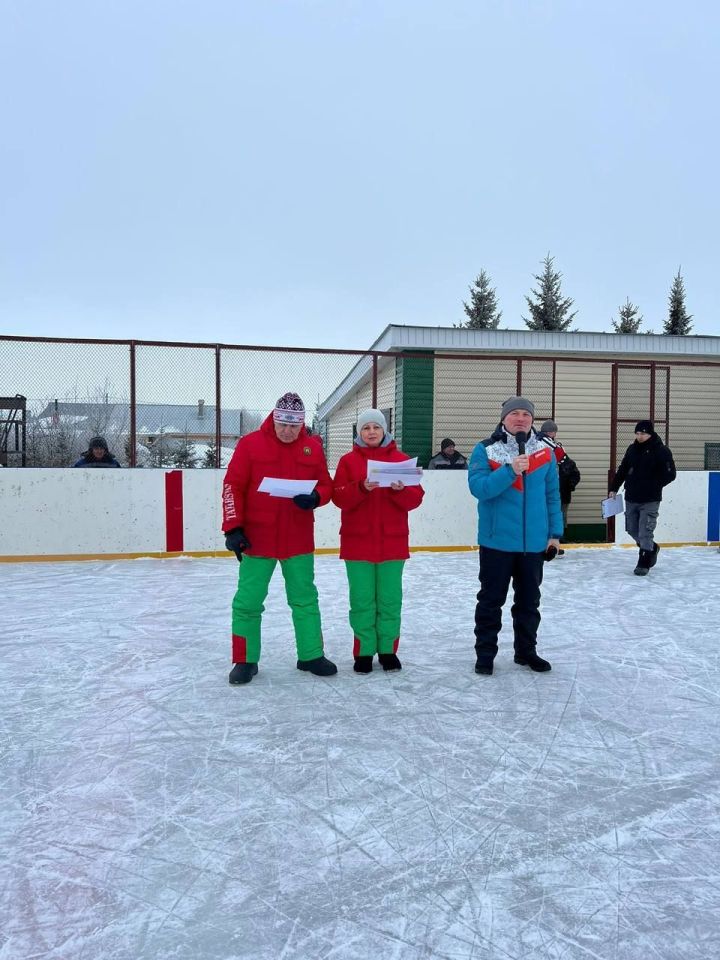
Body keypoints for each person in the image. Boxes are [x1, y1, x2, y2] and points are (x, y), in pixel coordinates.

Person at [222, 392, 337, 684]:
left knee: (305, 600)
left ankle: (310, 654)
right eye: (282, 423)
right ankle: (245, 660)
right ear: (274, 418)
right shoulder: (250, 445)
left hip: (297, 540)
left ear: (302, 425)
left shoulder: (312, 448)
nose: (287, 431)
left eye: (294, 426)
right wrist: (233, 528)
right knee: (247, 602)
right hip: (256, 540)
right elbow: (232, 486)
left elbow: (326, 485)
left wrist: (315, 497)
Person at [468, 396, 563, 675]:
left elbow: (551, 495)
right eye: (514, 413)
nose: (520, 418)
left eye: (525, 414)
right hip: (497, 542)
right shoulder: (485, 450)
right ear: (504, 418)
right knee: (490, 601)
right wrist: (511, 470)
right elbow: (480, 488)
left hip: (533, 544)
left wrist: (555, 534)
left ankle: (526, 651)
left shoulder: (545, 451)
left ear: (532, 419)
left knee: (529, 602)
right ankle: (485, 653)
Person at [331, 409, 424, 673]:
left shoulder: (401, 460)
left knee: (389, 600)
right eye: (365, 428)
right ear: (358, 432)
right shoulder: (348, 462)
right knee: (361, 600)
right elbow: (338, 497)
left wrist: (400, 490)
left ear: (385, 431)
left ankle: (387, 651)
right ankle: (363, 652)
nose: (371, 432)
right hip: (357, 544)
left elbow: (415, 499)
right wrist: (361, 487)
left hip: (392, 544)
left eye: (376, 427)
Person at [608, 419, 676, 576]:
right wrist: (613, 488)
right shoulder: (632, 449)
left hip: (650, 499)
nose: (640, 436)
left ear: (650, 434)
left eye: (643, 434)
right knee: (631, 529)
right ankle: (651, 547)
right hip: (631, 496)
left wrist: (654, 485)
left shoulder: (661, 451)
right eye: (637, 433)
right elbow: (623, 469)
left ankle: (644, 561)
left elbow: (670, 474)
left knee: (645, 530)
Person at [537, 420, 581, 553]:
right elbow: (562, 458)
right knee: (555, 515)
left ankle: (553, 543)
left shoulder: (541, 443)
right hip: (555, 487)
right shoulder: (550, 446)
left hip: (554, 487)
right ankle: (554, 543)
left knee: (554, 514)